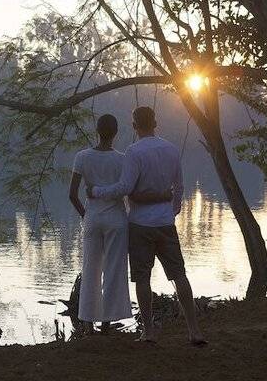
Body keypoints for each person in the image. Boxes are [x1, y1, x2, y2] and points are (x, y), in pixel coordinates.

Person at [87, 106, 206, 345]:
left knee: (142, 278)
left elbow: (125, 188)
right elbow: (180, 187)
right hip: (165, 223)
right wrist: (170, 210)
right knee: (179, 274)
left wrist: (96, 191)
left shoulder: (133, 151)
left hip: (140, 224)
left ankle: (149, 331)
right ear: (155, 122)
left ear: (134, 126)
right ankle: (194, 331)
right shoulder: (171, 149)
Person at [68, 114, 173, 334]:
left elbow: (73, 195)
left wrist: (85, 215)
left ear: (96, 131)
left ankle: (87, 323)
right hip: (116, 219)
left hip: (93, 219)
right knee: (114, 270)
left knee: (90, 269)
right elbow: (129, 191)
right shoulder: (123, 159)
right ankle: (107, 322)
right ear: (116, 133)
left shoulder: (82, 157)